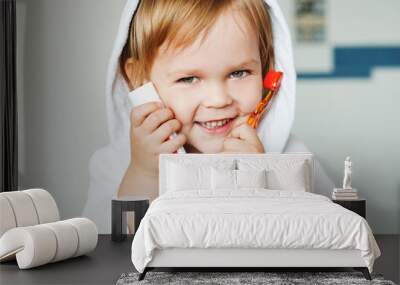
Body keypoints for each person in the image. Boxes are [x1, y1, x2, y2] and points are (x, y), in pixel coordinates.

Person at [83, 0, 334, 234]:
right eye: (189, 78)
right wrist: (145, 175)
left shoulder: (292, 158)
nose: (218, 99)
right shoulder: (115, 165)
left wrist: (262, 183)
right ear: (139, 80)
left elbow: (323, 235)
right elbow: (113, 250)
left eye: (238, 73)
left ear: (266, 68)